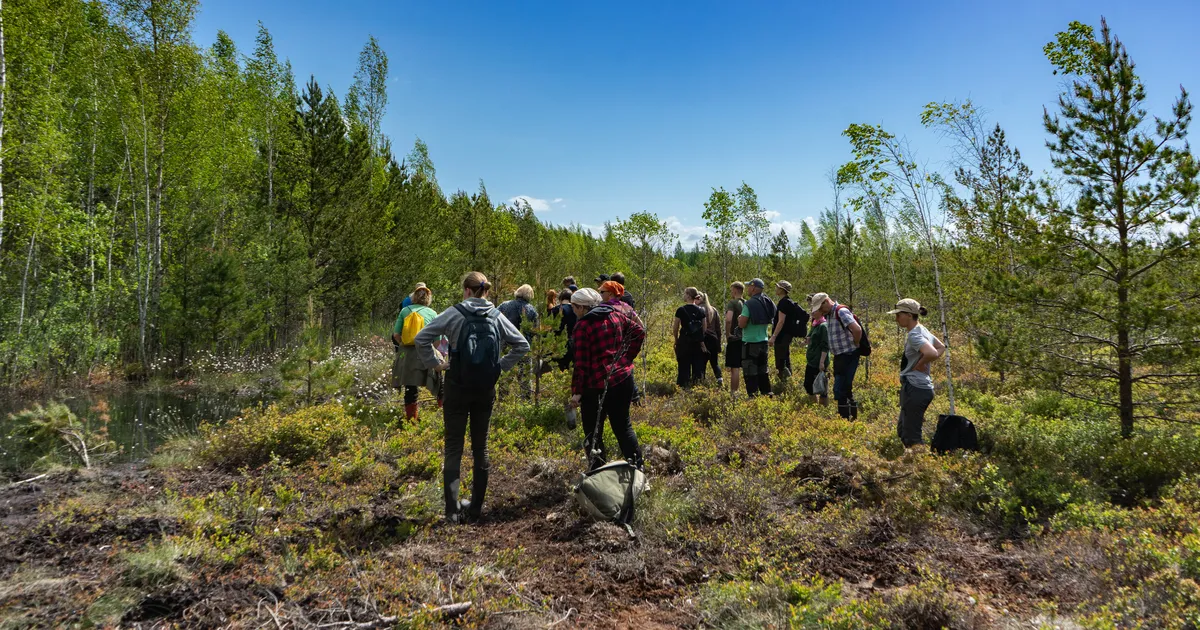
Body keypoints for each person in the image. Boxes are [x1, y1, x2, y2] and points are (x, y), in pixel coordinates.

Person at [414, 272, 530, 525]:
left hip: (457, 386)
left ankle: (451, 511)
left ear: (466, 290)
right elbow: (522, 345)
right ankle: (476, 508)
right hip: (485, 388)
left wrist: (436, 364)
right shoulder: (496, 316)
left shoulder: (454, 313)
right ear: (486, 291)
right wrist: (501, 367)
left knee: (454, 447)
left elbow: (422, 338)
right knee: (481, 448)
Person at [567, 288, 646, 471]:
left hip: (596, 386)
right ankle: (639, 470)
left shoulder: (582, 327)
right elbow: (638, 331)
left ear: (581, 307)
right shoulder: (615, 316)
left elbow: (582, 365)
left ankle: (598, 473)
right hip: (622, 379)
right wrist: (625, 359)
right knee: (623, 427)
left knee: (592, 432)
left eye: (574, 307)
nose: (573, 311)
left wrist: (577, 393)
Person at [889, 299, 945, 447]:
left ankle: (921, 466)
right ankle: (914, 462)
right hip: (919, 388)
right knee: (903, 430)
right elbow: (941, 347)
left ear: (908, 315)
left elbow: (932, 352)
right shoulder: (922, 330)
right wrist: (924, 362)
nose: (896, 318)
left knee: (911, 437)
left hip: (916, 389)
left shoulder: (914, 335)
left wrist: (920, 364)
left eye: (898, 315)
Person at [808, 292, 863, 419]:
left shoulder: (841, 312)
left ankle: (845, 418)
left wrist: (855, 343)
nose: (820, 311)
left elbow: (857, 329)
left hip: (848, 355)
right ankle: (849, 418)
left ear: (826, 302)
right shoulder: (829, 315)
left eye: (821, 308)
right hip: (839, 356)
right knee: (844, 388)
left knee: (840, 389)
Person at [392, 286, 440, 420]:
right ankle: (442, 412)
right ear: (428, 299)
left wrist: (404, 344)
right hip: (426, 353)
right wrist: (434, 352)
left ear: (413, 297)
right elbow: (437, 341)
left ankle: (411, 420)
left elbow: (396, 334)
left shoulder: (404, 311)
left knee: (410, 388)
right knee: (439, 381)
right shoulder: (433, 313)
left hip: (407, 354)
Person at [498, 284, 540, 395]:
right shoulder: (531, 309)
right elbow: (536, 329)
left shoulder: (504, 305)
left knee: (505, 372)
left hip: (505, 344)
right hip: (524, 345)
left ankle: (503, 397)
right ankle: (526, 398)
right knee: (525, 374)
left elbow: (494, 319)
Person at [737, 278, 776, 397]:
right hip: (763, 342)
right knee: (763, 370)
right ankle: (767, 394)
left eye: (749, 286)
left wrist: (739, 319)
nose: (748, 288)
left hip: (750, 343)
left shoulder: (749, 304)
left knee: (750, 371)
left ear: (753, 288)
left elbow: (742, 324)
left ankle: (752, 397)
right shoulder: (768, 301)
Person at [769, 281, 808, 381]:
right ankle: (788, 381)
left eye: (777, 287)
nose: (776, 289)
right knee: (785, 358)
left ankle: (784, 382)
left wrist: (773, 336)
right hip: (787, 336)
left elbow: (781, 321)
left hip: (781, 336)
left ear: (782, 290)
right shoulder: (788, 302)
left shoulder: (783, 303)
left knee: (781, 361)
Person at [672, 287, 708, 388]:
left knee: (683, 367)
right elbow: (704, 328)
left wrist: (676, 339)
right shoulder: (701, 310)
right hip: (696, 343)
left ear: (688, 295)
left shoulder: (681, 310)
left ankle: (683, 388)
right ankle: (697, 388)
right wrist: (701, 339)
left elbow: (675, 327)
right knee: (697, 367)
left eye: (685, 293)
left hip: (684, 342)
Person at [724, 282, 746, 396]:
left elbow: (728, 320)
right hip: (746, 338)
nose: (731, 292)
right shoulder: (747, 303)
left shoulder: (733, 303)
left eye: (732, 290)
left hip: (735, 338)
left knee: (735, 367)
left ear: (736, 290)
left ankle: (734, 392)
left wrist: (728, 334)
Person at [696, 292, 723, 385]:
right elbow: (718, 328)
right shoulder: (713, 310)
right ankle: (720, 379)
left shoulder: (699, 309)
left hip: (704, 338)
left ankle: (701, 383)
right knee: (714, 363)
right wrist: (719, 343)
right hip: (714, 339)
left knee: (702, 362)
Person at [804, 314, 830, 406]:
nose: (812, 312)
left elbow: (825, 346)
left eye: (815, 311)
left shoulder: (823, 326)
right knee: (808, 384)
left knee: (822, 385)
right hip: (812, 360)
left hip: (819, 361)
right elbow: (811, 337)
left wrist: (822, 362)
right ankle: (814, 406)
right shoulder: (815, 324)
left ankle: (823, 408)